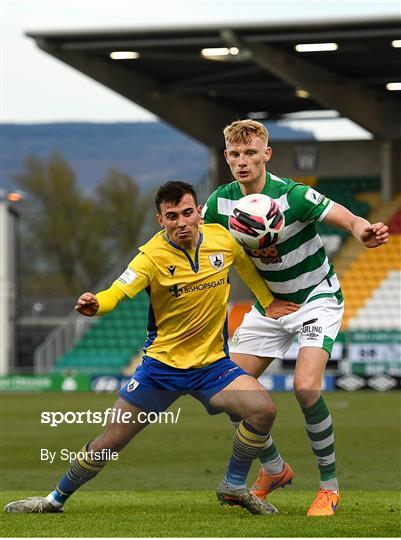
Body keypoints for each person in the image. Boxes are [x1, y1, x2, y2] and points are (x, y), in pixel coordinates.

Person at [6, 181, 286, 516]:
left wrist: (269, 302)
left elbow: (244, 265)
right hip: (161, 370)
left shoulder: (222, 239)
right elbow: (118, 291)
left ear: (199, 212)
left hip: (212, 367)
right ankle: (54, 499)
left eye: (187, 213)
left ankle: (234, 484)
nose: (181, 222)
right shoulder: (150, 257)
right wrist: (97, 305)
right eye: (172, 216)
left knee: (263, 409)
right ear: (160, 220)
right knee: (110, 442)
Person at [202, 119, 389, 516]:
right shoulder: (220, 202)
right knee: (224, 394)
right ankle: (273, 469)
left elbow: (349, 218)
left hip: (315, 298)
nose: (243, 161)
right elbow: (194, 238)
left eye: (251, 153)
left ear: (267, 154)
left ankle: (329, 487)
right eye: (235, 155)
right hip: (270, 306)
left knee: (306, 388)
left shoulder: (295, 196)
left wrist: (363, 231)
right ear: (226, 158)